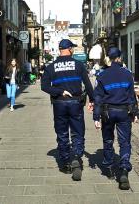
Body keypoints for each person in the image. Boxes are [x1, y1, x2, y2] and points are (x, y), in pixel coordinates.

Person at [41, 39, 94, 181]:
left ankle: (64, 163)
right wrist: (93, 100)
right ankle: (76, 156)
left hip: (59, 103)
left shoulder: (51, 67)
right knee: (77, 132)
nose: (73, 50)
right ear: (69, 49)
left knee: (62, 133)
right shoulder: (78, 64)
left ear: (59, 50)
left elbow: (44, 86)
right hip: (76, 103)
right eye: (72, 48)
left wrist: (59, 91)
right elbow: (88, 85)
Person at [93, 47, 138, 190]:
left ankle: (110, 167)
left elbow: (98, 98)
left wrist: (96, 117)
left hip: (107, 112)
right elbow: (132, 95)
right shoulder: (127, 74)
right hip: (124, 112)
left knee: (108, 139)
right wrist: (135, 113)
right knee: (124, 141)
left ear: (109, 59)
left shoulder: (102, 75)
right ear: (119, 58)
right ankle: (124, 169)